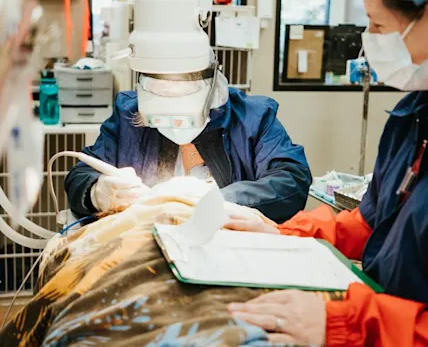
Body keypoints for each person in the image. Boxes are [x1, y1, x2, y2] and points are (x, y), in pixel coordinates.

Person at [225, 0, 428, 345]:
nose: (368, 41)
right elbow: (374, 223)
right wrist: (281, 232)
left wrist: (349, 325)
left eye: (377, 24)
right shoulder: (418, 113)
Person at [65, 49, 311, 223]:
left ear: (212, 95)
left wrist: (217, 199)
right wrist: (98, 192)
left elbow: (292, 180)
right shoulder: (129, 115)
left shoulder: (252, 118)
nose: (174, 118)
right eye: (162, 107)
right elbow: (81, 174)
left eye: (183, 105)